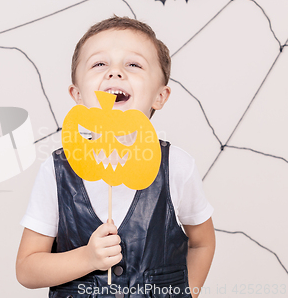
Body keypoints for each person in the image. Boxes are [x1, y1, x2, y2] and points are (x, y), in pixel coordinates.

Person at [16, 16, 215, 298]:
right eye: (99, 64)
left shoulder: (178, 167)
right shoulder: (57, 170)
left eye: (133, 64)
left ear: (160, 96)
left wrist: (186, 294)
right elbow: (26, 269)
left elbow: (202, 243)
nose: (115, 72)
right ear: (78, 95)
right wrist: (86, 258)